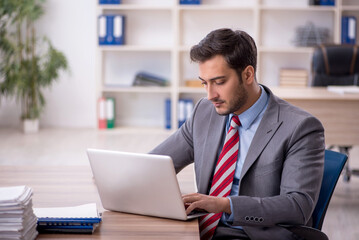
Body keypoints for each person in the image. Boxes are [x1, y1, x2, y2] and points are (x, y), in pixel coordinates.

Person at [150, 28, 325, 240]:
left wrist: (224, 205)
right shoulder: (204, 112)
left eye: (219, 82)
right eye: (205, 83)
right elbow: (156, 163)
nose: (210, 95)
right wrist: (120, 175)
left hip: (256, 234)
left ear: (248, 74)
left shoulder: (300, 127)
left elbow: (297, 205)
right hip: (202, 230)